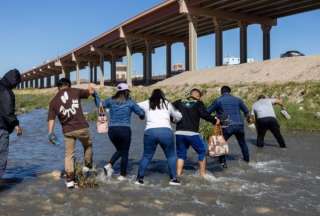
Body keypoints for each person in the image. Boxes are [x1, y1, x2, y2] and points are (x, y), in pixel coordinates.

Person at [48, 78, 94, 189]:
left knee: (69, 155)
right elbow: (90, 92)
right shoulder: (75, 91)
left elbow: (51, 119)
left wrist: (50, 133)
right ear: (68, 85)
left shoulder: (53, 101)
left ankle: (69, 180)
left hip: (68, 131)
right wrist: (91, 87)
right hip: (82, 127)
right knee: (88, 145)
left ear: (58, 87)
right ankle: (87, 166)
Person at [92, 83, 145, 181]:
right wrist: (142, 115)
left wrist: (95, 95)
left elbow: (99, 105)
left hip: (112, 131)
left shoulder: (111, 101)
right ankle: (121, 174)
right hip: (124, 130)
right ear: (127, 92)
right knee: (124, 153)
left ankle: (110, 167)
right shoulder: (130, 102)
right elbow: (141, 113)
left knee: (120, 150)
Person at [135, 89, 182, 186]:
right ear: (162, 95)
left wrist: (141, 114)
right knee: (171, 156)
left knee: (147, 156)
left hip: (150, 132)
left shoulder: (147, 102)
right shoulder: (167, 103)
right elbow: (178, 116)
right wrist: (174, 119)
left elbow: (135, 107)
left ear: (152, 95)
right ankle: (174, 179)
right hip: (166, 131)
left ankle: (139, 179)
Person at [173, 88, 218, 177]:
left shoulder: (179, 101)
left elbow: (168, 109)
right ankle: (202, 175)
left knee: (181, 155)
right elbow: (205, 115)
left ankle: (178, 175)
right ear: (198, 96)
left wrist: (172, 119)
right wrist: (214, 121)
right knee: (201, 152)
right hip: (192, 133)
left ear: (190, 94)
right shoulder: (198, 103)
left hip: (179, 133)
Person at [207, 86, 250, 168]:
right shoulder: (238, 100)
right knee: (243, 143)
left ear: (221, 92)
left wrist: (215, 117)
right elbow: (246, 111)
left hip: (227, 125)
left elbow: (207, 112)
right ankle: (247, 161)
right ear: (230, 92)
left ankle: (223, 165)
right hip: (239, 124)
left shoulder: (218, 100)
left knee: (220, 144)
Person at [0, 69, 22, 178]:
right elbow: (8, 111)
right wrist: (16, 125)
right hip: (1, 128)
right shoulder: (6, 92)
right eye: (16, 83)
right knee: (1, 157)